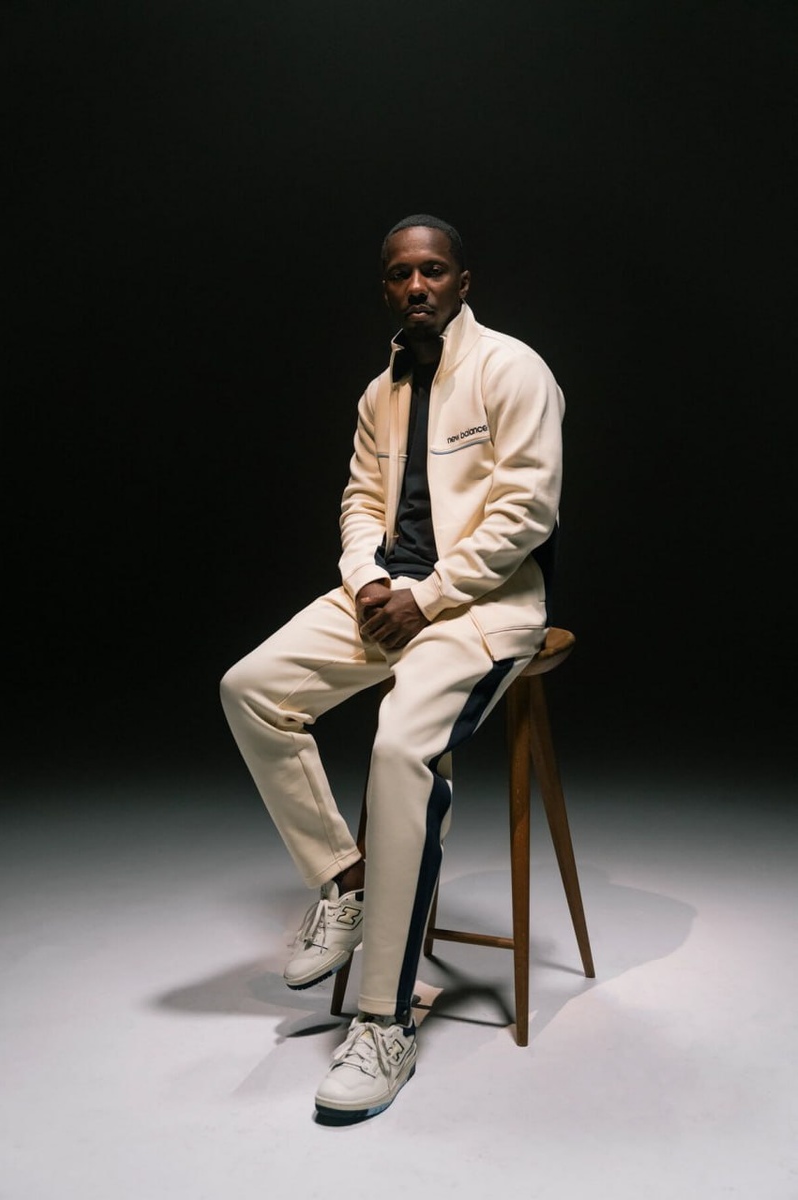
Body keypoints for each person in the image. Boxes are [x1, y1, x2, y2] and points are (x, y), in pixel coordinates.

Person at [220, 213, 565, 1124]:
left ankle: (384, 1022)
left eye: (434, 271)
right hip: (388, 600)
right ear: (386, 286)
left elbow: (527, 512)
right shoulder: (381, 391)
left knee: (399, 747)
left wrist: (432, 593)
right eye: (401, 274)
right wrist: (368, 579)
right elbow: (359, 501)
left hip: (481, 607)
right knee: (251, 690)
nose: (418, 286)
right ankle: (347, 881)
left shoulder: (512, 369)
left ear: (462, 281)